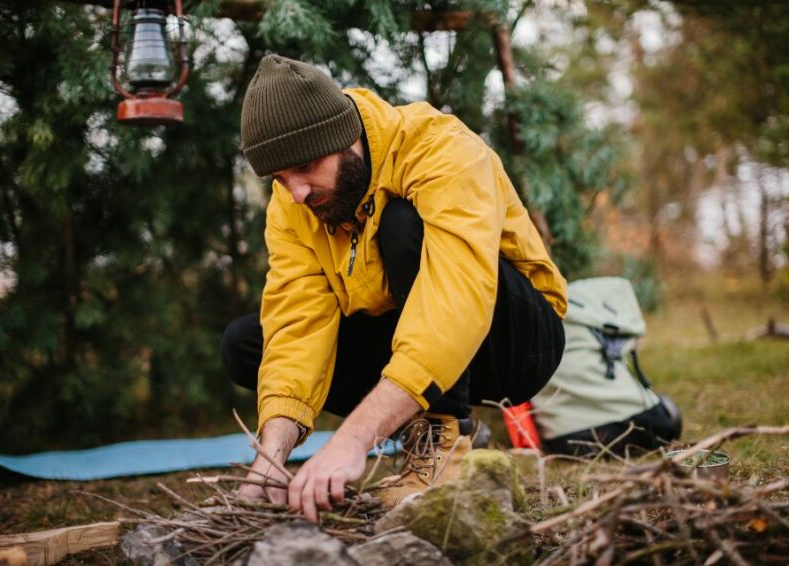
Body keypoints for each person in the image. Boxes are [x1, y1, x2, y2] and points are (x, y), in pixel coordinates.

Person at [221, 54, 567, 522]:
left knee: (402, 224)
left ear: (347, 139)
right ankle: (431, 428)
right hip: (411, 343)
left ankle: (445, 436)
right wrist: (271, 456)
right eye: (281, 179)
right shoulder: (293, 204)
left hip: (514, 341)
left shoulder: (439, 148)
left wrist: (352, 441)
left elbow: (455, 302)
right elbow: (296, 323)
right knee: (247, 343)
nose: (297, 192)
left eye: (305, 166)